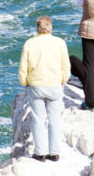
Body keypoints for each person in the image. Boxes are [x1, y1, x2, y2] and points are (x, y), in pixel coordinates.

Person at [20, 16, 71, 162]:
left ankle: (40, 153)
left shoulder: (29, 43)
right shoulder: (60, 43)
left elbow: (23, 67)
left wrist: (24, 82)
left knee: (38, 118)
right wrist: (63, 80)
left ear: (37, 28)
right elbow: (66, 66)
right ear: (51, 28)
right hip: (55, 85)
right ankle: (54, 153)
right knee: (54, 119)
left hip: (36, 86)